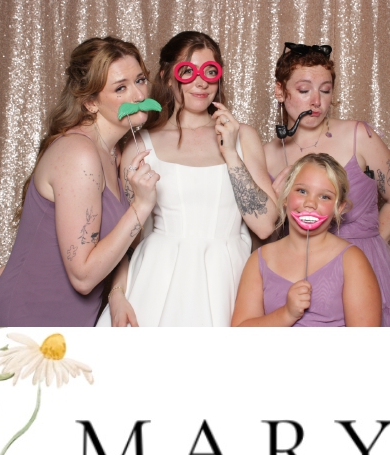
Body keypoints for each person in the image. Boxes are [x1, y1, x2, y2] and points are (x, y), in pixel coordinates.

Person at [0, 39, 160, 327]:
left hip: (74, 318)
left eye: (140, 80)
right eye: (120, 88)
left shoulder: (114, 152)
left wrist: (117, 293)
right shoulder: (79, 153)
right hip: (31, 316)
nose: (138, 94)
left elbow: (100, 241)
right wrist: (141, 206)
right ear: (90, 102)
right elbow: (83, 277)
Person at [101, 32, 280, 328]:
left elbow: (264, 225)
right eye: (187, 71)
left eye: (210, 71)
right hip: (157, 276)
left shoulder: (243, 136)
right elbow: (124, 239)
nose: (201, 82)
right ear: (167, 76)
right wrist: (117, 293)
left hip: (228, 276)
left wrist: (231, 153)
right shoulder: (139, 144)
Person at [264, 42, 390, 326]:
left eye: (325, 90)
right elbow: (265, 232)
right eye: (304, 90)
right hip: (299, 276)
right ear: (280, 91)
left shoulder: (359, 136)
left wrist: (367, 248)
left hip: (361, 272)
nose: (316, 102)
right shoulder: (266, 155)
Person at [231, 153, 381, 327]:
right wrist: (286, 314)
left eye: (324, 196)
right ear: (285, 197)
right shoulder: (259, 260)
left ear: (339, 208)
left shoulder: (352, 260)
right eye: (302, 191)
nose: (310, 203)